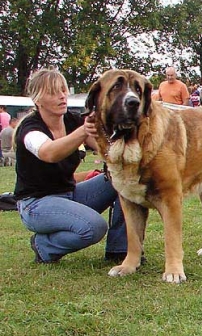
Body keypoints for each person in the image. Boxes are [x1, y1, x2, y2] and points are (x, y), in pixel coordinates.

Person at [14, 69, 127, 264]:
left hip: (69, 194)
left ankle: (120, 250)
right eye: (53, 92)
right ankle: (43, 246)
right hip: (36, 204)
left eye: (63, 90)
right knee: (93, 227)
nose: (62, 96)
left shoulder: (72, 120)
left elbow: (106, 148)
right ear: (37, 99)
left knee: (125, 179)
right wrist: (82, 131)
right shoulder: (30, 129)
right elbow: (49, 152)